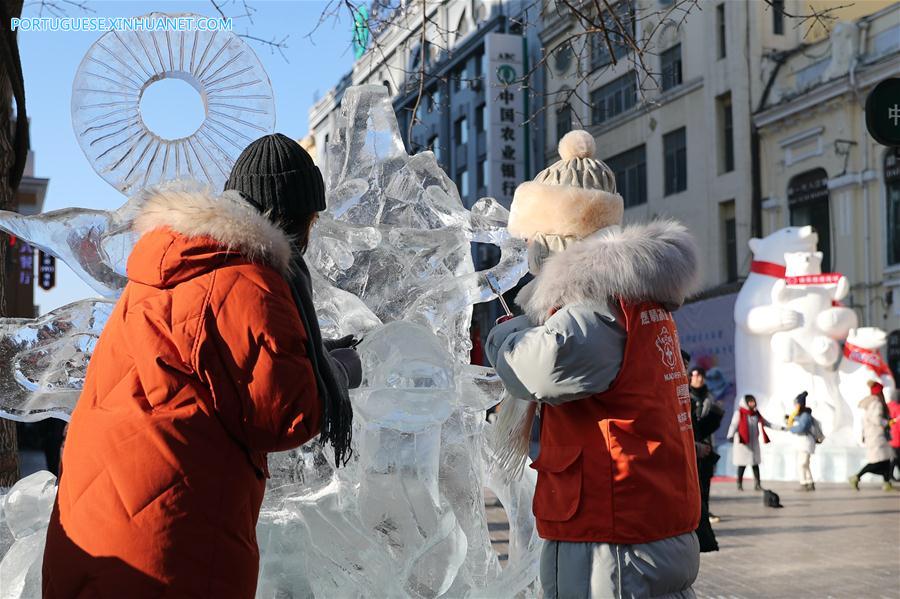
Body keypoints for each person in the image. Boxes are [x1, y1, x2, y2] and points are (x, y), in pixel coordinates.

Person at [42, 134, 361, 598]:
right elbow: (286, 414)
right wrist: (343, 370)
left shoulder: (163, 274)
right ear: (293, 220)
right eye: (311, 220)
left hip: (95, 525)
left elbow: (217, 360)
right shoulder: (250, 281)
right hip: (168, 545)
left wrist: (308, 353)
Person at [486, 130, 701, 598]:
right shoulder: (638, 298)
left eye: (534, 241)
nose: (529, 255)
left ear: (557, 239)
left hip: (613, 528)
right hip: (639, 518)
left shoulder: (597, 305)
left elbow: (537, 368)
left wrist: (503, 333)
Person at [688, 366, 724, 549]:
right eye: (694, 375)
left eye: (700, 375)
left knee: (706, 481)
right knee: (694, 483)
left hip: (707, 445)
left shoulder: (710, 397)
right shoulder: (685, 395)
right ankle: (696, 516)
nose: (697, 378)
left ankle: (705, 512)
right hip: (691, 446)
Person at [727, 394, 782, 491]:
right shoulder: (739, 413)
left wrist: (781, 428)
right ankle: (739, 484)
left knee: (755, 465)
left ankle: (758, 484)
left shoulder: (756, 414)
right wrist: (730, 435)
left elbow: (767, 423)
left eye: (753, 401)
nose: (753, 403)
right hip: (743, 443)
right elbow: (734, 425)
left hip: (753, 443)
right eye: (750, 401)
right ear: (746, 403)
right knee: (742, 465)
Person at [849, 381, 894, 491]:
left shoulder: (872, 404)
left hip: (874, 435)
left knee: (886, 460)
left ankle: (886, 483)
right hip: (877, 436)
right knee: (877, 461)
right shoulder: (877, 404)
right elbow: (876, 419)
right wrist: (887, 423)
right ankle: (856, 476)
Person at [786, 391, 817, 491]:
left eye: (796, 404)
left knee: (802, 463)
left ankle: (804, 483)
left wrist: (791, 428)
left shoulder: (806, 415)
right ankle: (810, 482)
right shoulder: (802, 415)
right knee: (805, 464)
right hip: (803, 443)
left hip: (806, 442)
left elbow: (802, 427)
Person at [888, 389, 900, 481]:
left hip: (888, 435)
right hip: (897, 436)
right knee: (896, 457)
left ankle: (890, 475)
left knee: (895, 456)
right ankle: (890, 474)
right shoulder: (898, 408)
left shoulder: (887, 406)